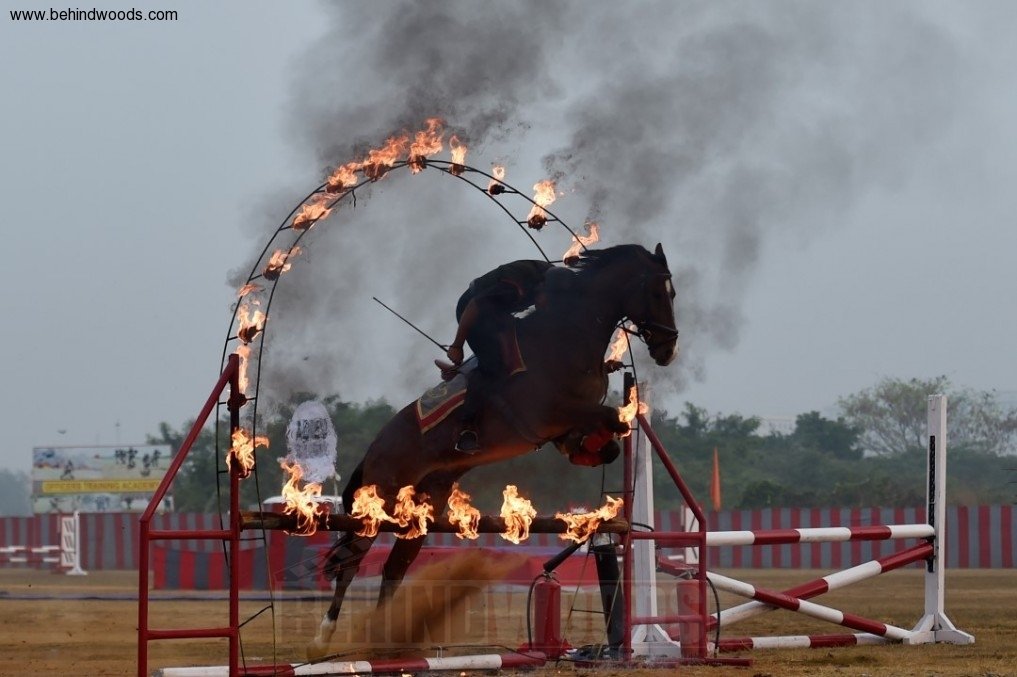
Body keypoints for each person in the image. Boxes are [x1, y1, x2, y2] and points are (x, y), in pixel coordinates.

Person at [442, 259, 555, 452]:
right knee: (494, 366)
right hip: (473, 311)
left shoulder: (549, 280)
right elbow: (475, 306)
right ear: (542, 288)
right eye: (549, 301)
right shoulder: (515, 288)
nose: (547, 308)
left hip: (498, 312)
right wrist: (457, 346)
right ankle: (466, 428)